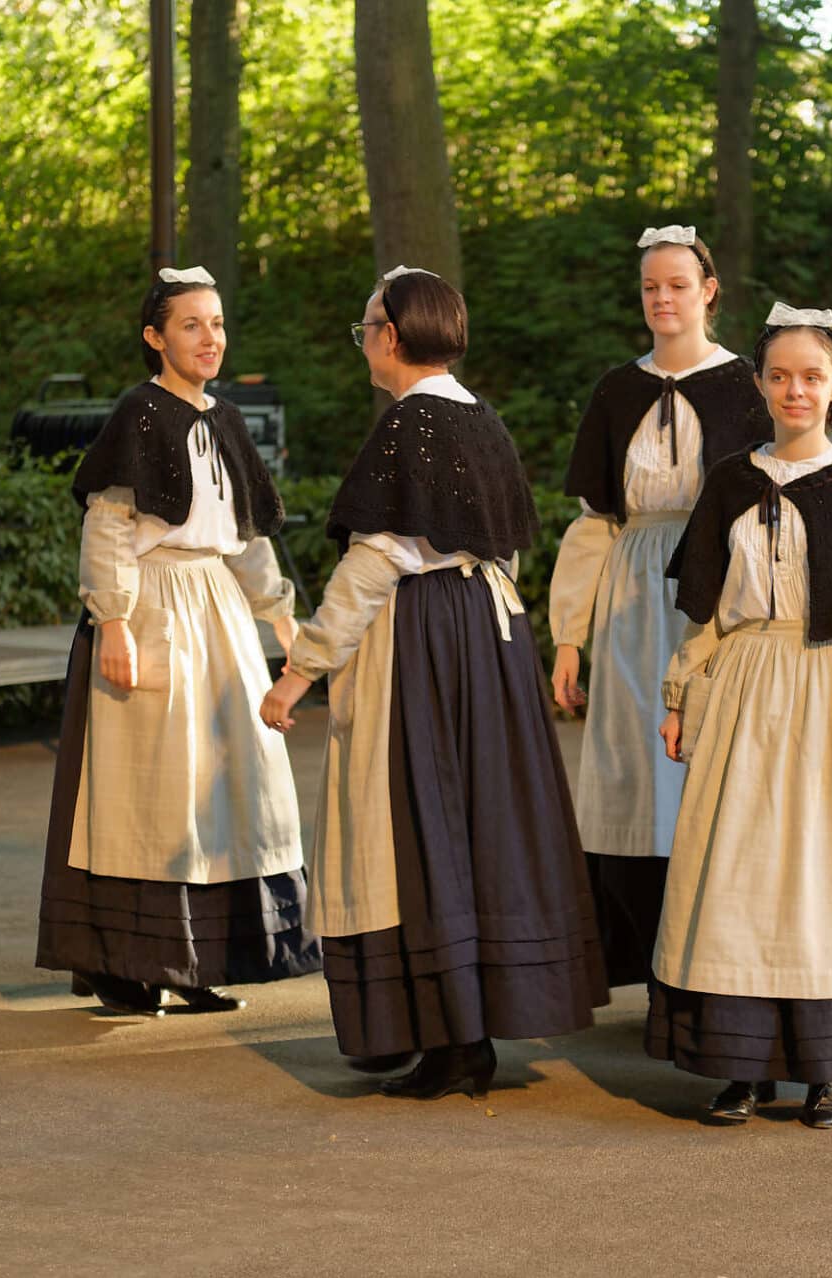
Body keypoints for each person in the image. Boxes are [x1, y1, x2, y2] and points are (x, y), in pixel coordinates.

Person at [259, 267, 608, 1100]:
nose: (365, 340)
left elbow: (375, 561)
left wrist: (301, 670)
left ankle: (447, 1037)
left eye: (367, 325)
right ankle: (457, 1031)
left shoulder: (408, 425)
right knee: (477, 824)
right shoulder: (479, 418)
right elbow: (507, 546)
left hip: (421, 640)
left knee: (412, 824)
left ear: (393, 334)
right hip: (488, 635)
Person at [650, 304, 832, 1129]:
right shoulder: (731, 482)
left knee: (824, 880)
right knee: (738, 879)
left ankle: (827, 1070)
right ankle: (741, 1067)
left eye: (812, 376)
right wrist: (681, 695)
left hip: (831, 695)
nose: (795, 389)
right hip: (744, 691)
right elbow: (706, 612)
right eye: (779, 375)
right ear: (758, 383)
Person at [36, 267, 320, 1016]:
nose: (210, 339)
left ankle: (201, 960)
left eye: (217, 324)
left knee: (224, 789)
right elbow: (108, 527)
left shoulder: (227, 422)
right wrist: (115, 621)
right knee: (148, 792)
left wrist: (283, 622)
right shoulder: (138, 415)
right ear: (155, 337)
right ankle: (128, 963)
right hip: (153, 605)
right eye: (192, 325)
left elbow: (249, 539)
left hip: (219, 614)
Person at [549, 225, 772, 988]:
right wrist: (569, 638)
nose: (662, 299)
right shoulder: (619, 389)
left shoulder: (748, 385)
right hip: (632, 590)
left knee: (709, 758)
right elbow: (592, 524)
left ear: (708, 291)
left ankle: (713, 948)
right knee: (632, 763)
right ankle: (641, 953)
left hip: (717, 592)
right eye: (651, 287)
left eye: (677, 284)